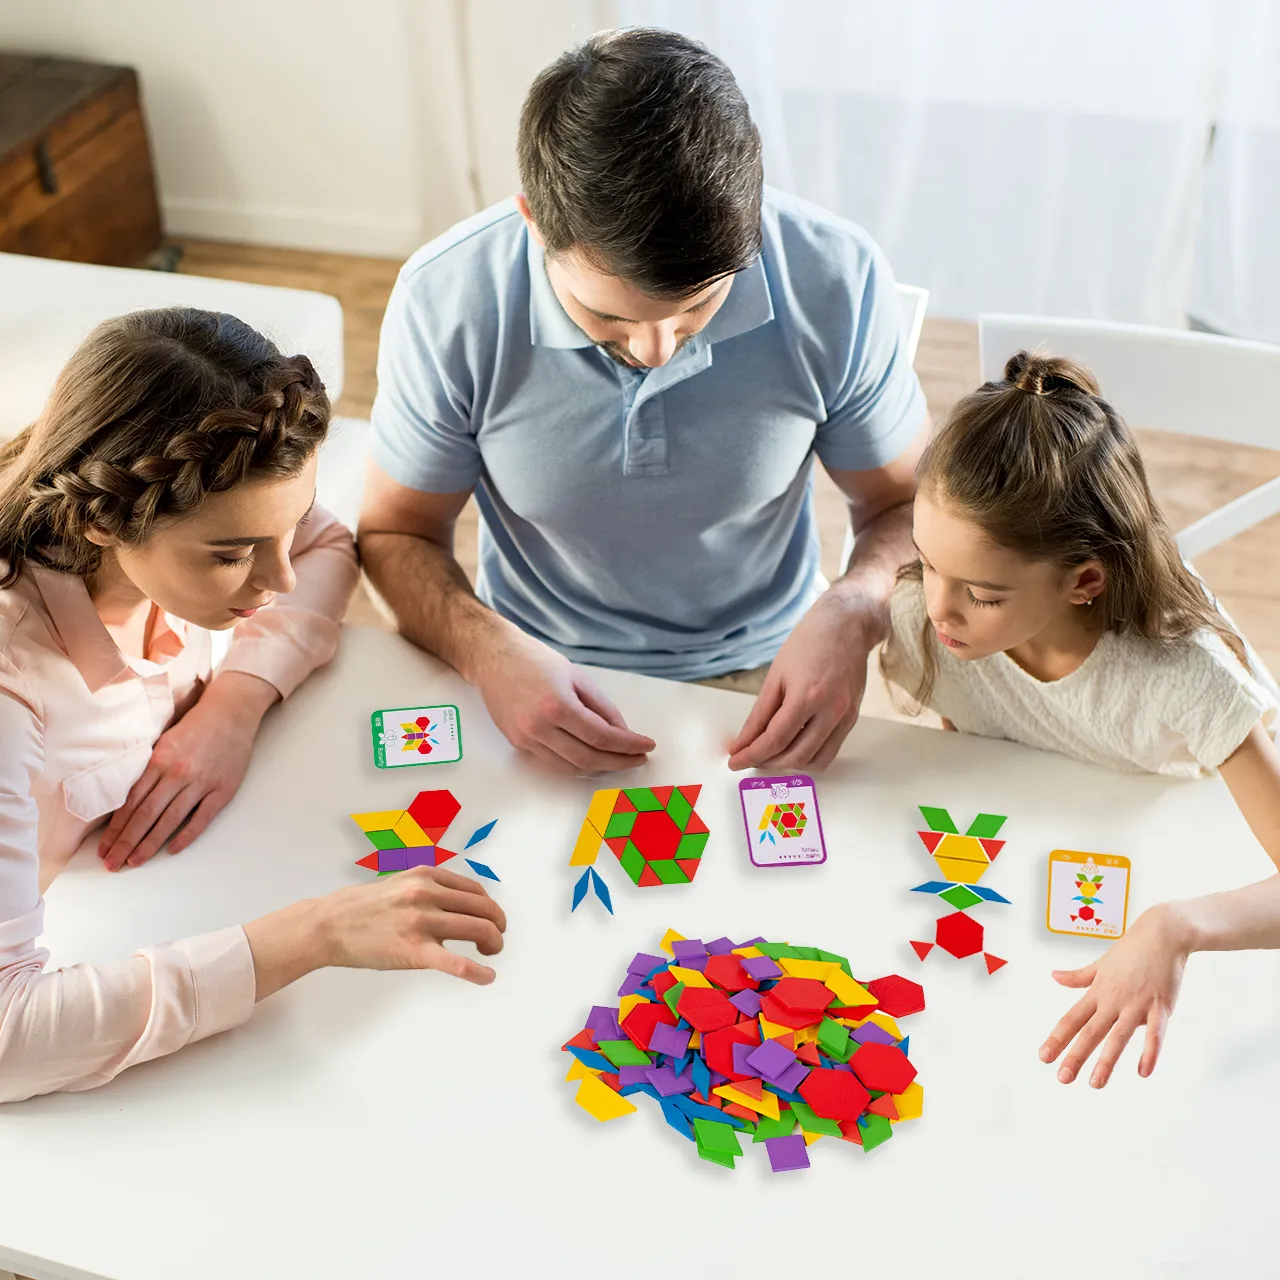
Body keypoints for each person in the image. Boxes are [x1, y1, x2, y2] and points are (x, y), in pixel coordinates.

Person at [358, 27, 929, 776]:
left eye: (697, 310)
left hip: (773, 663)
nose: (657, 350)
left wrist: (855, 611)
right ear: (534, 223)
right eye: (608, 317)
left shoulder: (836, 278)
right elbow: (395, 534)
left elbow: (906, 508)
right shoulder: (446, 301)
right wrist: (484, 649)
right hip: (529, 664)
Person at [0, 309, 505, 1104]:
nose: (282, 580)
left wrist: (234, 703)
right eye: (232, 555)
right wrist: (316, 932)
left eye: (286, 526)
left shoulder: (173, 503)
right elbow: (9, 1039)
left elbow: (326, 546)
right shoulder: (13, 689)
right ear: (102, 521)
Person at [880, 350, 1280, 1089]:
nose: (938, 609)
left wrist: (1177, 925)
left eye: (982, 594)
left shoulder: (1187, 675)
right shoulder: (928, 623)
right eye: (927, 561)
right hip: (1066, 854)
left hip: (1216, 859)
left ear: (1084, 581)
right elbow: (974, 752)